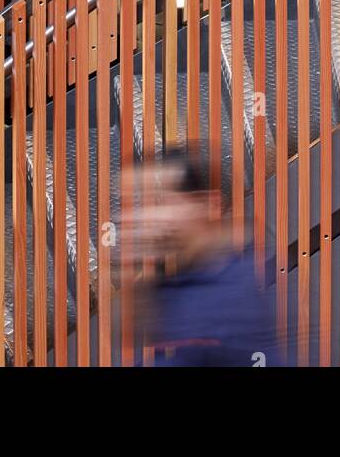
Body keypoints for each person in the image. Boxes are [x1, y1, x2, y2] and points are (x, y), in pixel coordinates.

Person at [124, 149, 290, 367]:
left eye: (163, 203)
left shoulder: (235, 290)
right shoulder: (177, 285)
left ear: (208, 204)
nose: (148, 217)